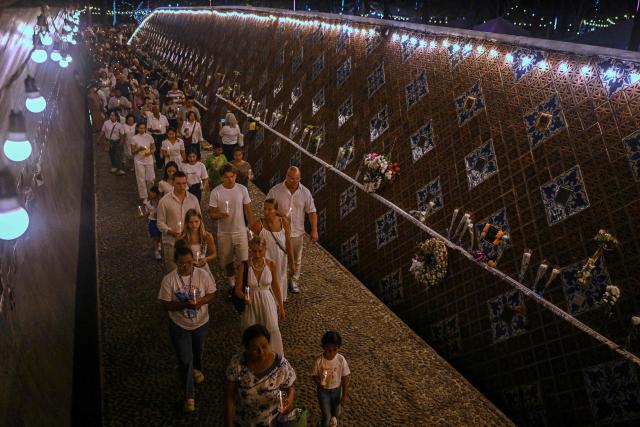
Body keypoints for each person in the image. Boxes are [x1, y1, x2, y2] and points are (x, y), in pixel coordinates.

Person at [157, 245, 216, 413]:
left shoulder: (202, 275)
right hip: (179, 326)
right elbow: (165, 304)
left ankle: (197, 369)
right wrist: (184, 304)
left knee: (198, 351)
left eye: (190, 262)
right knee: (185, 359)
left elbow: (212, 293)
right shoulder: (169, 280)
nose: (187, 266)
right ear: (176, 262)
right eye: (182, 263)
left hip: (201, 323)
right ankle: (189, 396)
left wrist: (202, 302)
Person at [225, 324, 296, 427]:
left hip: (272, 422)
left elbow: (290, 387)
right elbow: (229, 397)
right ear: (246, 348)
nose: (261, 352)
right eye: (255, 348)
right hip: (243, 422)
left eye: (264, 346)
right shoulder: (237, 364)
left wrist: (288, 400)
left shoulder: (281, 366)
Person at [266, 166, 318, 294]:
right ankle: (277, 279)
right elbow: (267, 208)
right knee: (278, 256)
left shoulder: (305, 192)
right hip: (279, 230)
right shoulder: (276, 190)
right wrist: (279, 216)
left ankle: (294, 280)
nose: (293, 181)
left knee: (296, 258)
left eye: (296, 179)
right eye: (291, 178)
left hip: (297, 232)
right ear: (286, 176)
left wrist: (314, 230)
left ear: (300, 178)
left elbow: (311, 212)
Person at [208, 164, 255, 292]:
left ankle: (244, 283)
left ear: (236, 176)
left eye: (232, 176)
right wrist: (221, 215)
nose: (230, 180)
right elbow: (212, 214)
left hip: (240, 231)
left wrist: (252, 228)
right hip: (224, 233)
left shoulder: (242, 190)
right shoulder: (216, 192)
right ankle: (232, 284)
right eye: (226, 177)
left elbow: (248, 211)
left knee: (243, 260)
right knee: (227, 261)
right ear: (222, 177)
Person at [235, 235, 285, 354]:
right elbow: (237, 289)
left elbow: (276, 286)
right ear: (250, 250)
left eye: (260, 251)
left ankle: (273, 357)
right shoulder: (244, 266)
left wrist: (281, 306)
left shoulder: (271, 264)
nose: (257, 254)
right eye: (254, 251)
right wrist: (244, 297)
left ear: (265, 250)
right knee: (251, 331)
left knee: (272, 328)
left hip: (267, 301)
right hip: (251, 303)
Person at [250, 199, 295, 303]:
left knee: (280, 278)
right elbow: (251, 242)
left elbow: (288, 243)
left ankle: (279, 303)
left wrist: (292, 263)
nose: (266, 212)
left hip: (280, 258)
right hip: (265, 260)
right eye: (264, 209)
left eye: (269, 209)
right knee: (267, 280)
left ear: (275, 210)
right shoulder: (258, 225)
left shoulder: (284, 223)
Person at [157, 171, 201, 272]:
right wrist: (171, 232)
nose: (182, 187)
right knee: (173, 271)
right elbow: (160, 223)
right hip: (171, 243)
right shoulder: (164, 201)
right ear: (172, 183)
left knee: (191, 271)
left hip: (190, 243)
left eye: (184, 183)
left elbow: (199, 218)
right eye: (178, 183)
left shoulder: (193, 199)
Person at [311, 331, 350, 427]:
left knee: (336, 414)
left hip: (337, 391)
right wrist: (319, 382)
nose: (331, 353)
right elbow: (314, 375)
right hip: (323, 392)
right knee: (326, 415)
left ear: (339, 348)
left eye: (334, 349)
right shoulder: (318, 361)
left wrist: (344, 395)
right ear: (323, 347)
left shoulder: (341, 360)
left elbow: (345, 378)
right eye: (328, 350)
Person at [179, 209, 217, 278]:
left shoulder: (207, 236)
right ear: (187, 223)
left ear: (200, 221)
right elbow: (179, 255)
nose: (194, 225)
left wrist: (205, 259)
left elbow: (214, 254)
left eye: (196, 221)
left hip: (203, 267)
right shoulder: (183, 238)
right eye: (191, 222)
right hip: (188, 268)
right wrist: (190, 261)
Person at [130, 122, 155, 202]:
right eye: (140, 128)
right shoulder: (134, 138)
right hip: (139, 160)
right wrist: (138, 149)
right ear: (137, 128)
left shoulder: (149, 137)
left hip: (148, 159)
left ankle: (150, 191)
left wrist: (150, 152)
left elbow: (153, 148)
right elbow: (133, 152)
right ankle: (144, 197)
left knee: (150, 178)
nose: (142, 129)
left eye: (143, 128)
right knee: (141, 179)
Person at [100, 110, 125, 175]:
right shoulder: (106, 123)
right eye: (111, 115)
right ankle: (114, 166)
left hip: (117, 141)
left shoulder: (119, 125)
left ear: (116, 117)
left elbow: (122, 134)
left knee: (118, 155)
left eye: (113, 115)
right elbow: (103, 131)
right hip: (109, 142)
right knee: (111, 155)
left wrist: (121, 142)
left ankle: (120, 169)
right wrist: (99, 138)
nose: (111, 117)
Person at [145, 185, 162, 260]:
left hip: (160, 221)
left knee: (159, 236)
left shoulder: (162, 202)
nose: (150, 194)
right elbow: (147, 212)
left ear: (156, 193)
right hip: (152, 221)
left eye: (152, 193)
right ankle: (156, 251)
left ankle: (158, 244)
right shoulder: (148, 202)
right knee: (155, 237)